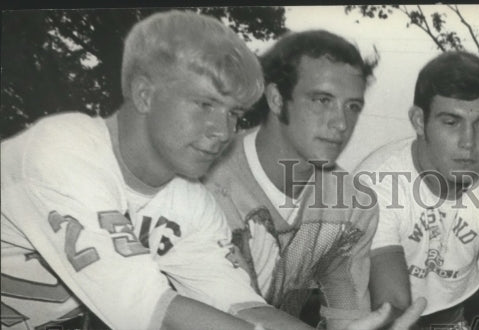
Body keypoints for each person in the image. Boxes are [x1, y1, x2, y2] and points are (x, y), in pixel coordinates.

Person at [0, 10, 314, 330]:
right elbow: (151, 313)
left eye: (234, 113)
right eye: (205, 104)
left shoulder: (190, 202)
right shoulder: (62, 151)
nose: (223, 130)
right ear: (144, 94)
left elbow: (240, 307)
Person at [202, 29, 427, 330]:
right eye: (322, 100)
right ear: (276, 99)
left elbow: (347, 316)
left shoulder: (351, 207)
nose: (341, 123)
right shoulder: (202, 182)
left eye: (352, 106)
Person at [355, 51, 479, 329]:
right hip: (373, 316)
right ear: (418, 121)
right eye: (451, 122)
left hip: (455, 313)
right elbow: (392, 305)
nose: (469, 142)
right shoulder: (375, 182)